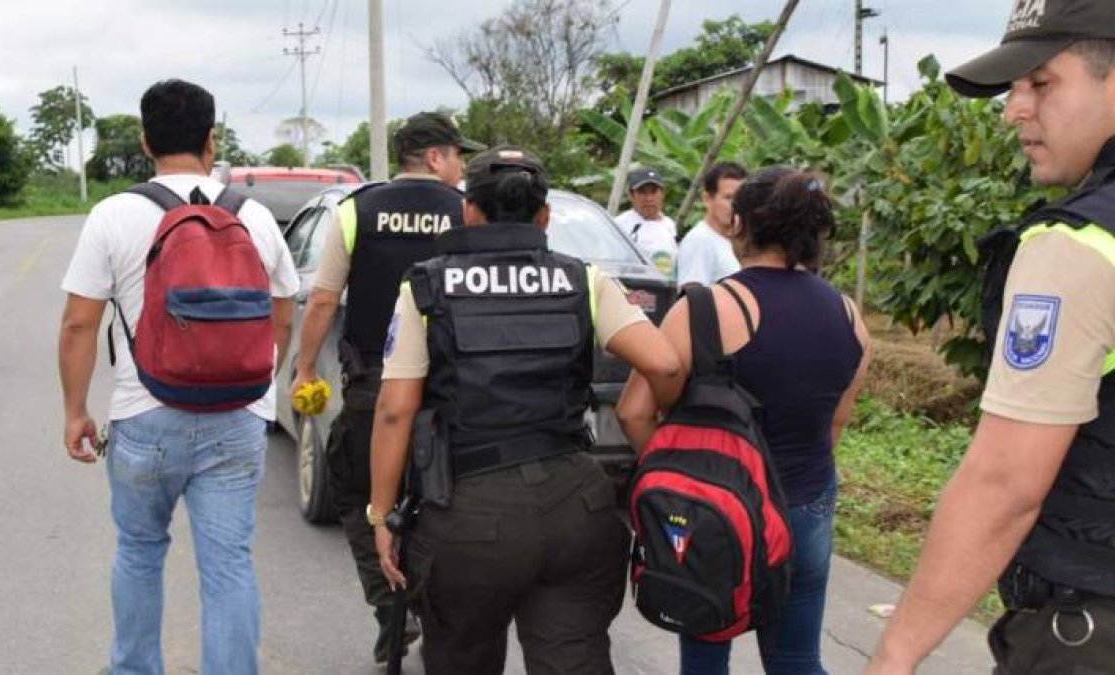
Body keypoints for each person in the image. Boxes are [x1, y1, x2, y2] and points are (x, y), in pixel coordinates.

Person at [369, 145, 685, 674]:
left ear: (468, 210)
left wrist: (382, 515)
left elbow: (395, 411)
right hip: (576, 509)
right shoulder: (582, 279)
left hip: (467, 513)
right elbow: (667, 367)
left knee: (461, 658)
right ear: (545, 216)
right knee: (573, 658)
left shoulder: (427, 284)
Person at [866, 3, 1115, 673]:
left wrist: (895, 653)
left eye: (1041, 82)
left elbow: (1005, 481)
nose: (1013, 110)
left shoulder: (1079, 246)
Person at [57, 79, 299, 675]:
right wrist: (258, 382)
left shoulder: (114, 214)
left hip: (144, 414)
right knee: (229, 565)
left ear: (145, 140)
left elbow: (79, 324)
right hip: (237, 419)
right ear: (211, 139)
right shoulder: (255, 215)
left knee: (139, 552)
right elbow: (284, 310)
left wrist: (75, 410)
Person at [618, 166, 871, 675]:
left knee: (706, 652)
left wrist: (673, 472)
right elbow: (834, 426)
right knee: (797, 659)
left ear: (737, 224)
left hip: (712, 505)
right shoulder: (849, 315)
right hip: (805, 504)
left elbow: (633, 410)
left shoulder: (705, 309)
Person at [288, 111, 482, 663]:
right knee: (450, 497)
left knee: (356, 491)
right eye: (457, 154)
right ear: (435, 158)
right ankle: (440, 610)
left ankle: (389, 606)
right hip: (452, 389)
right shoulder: (466, 211)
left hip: (375, 383)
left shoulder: (356, 209)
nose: (461, 165)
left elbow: (324, 298)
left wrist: (304, 369)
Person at [676, 162, 746, 287]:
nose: (736, 204)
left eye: (741, 198)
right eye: (728, 198)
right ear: (707, 199)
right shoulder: (699, 240)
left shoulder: (739, 241)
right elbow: (691, 296)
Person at [615, 166, 679, 278]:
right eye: (642, 192)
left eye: (654, 192)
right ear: (631, 195)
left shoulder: (669, 225)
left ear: (662, 194)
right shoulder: (620, 226)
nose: (649, 198)